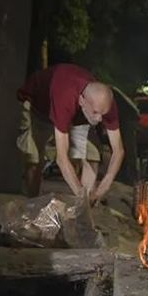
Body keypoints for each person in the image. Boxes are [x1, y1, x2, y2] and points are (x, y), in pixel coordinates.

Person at [16, 63, 125, 202]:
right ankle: (32, 204)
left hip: (76, 115)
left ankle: (85, 209)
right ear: (82, 101)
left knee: (92, 155)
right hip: (37, 106)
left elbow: (119, 150)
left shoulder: (104, 103)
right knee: (34, 159)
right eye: (96, 113)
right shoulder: (65, 96)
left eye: (102, 114)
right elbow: (62, 158)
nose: (99, 119)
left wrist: (104, 186)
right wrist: (79, 192)